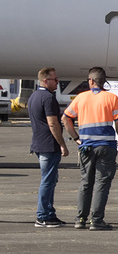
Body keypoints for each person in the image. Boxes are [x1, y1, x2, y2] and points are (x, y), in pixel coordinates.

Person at [63, 67, 118, 230]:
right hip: (106, 147)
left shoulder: (80, 98)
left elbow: (65, 118)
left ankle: (80, 219)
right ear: (104, 81)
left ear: (90, 81)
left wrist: (76, 138)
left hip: (87, 147)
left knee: (86, 182)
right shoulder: (112, 98)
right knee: (101, 183)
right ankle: (96, 220)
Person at [29, 67, 68, 228]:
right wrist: (62, 144)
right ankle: (43, 216)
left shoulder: (34, 96)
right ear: (46, 81)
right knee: (47, 181)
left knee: (50, 180)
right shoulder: (48, 98)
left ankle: (48, 213)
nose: (57, 83)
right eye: (55, 80)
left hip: (38, 143)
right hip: (48, 145)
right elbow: (53, 123)